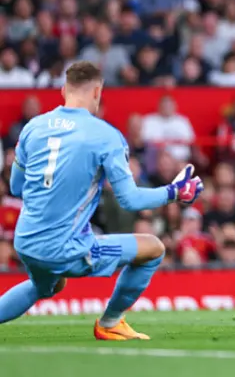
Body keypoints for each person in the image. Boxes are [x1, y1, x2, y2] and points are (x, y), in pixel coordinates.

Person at [0, 61, 204, 339]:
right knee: (152, 248)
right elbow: (130, 199)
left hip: (26, 242)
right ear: (97, 91)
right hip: (64, 248)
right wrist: (174, 192)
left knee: (46, 286)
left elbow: (16, 187)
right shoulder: (106, 136)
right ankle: (110, 322)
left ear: (63, 90)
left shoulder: (32, 128)